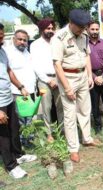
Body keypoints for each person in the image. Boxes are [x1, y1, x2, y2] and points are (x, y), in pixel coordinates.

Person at [51, 9, 100, 163]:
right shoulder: (59, 38)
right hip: (68, 78)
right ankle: (73, 148)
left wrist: (89, 75)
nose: (82, 30)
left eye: (84, 27)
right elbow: (57, 64)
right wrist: (67, 88)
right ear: (71, 23)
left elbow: (86, 55)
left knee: (85, 110)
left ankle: (87, 138)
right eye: (79, 27)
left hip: (82, 77)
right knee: (70, 114)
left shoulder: (84, 35)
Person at [0, 23, 36, 179]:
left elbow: (9, 71)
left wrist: (20, 86)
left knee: (14, 129)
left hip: (8, 98)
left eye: (2, 35)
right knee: (3, 135)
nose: (1, 38)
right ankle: (10, 165)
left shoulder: (1, 51)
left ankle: (18, 154)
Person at [31, 18, 63, 142]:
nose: (50, 30)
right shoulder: (35, 45)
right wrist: (48, 80)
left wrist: (57, 78)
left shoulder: (57, 42)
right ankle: (49, 134)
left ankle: (62, 132)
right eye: (48, 28)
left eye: (52, 28)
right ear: (42, 29)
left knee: (60, 107)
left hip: (58, 78)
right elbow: (35, 65)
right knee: (46, 108)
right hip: (43, 81)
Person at [4, 30, 37, 126]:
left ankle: (29, 140)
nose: (22, 42)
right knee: (20, 120)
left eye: (25, 40)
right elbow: (8, 72)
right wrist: (20, 87)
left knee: (29, 118)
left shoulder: (27, 52)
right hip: (17, 92)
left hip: (30, 91)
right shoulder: (7, 52)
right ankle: (22, 141)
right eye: (20, 39)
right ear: (13, 39)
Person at [88, 21, 103, 132]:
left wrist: (102, 76)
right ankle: (97, 126)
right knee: (94, 103)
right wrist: (94, 77)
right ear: (88, 30)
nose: (95, 31)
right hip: (91, 75)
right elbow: (84, 64)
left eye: (97, 29)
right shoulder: (84, 44)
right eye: (92, 29)